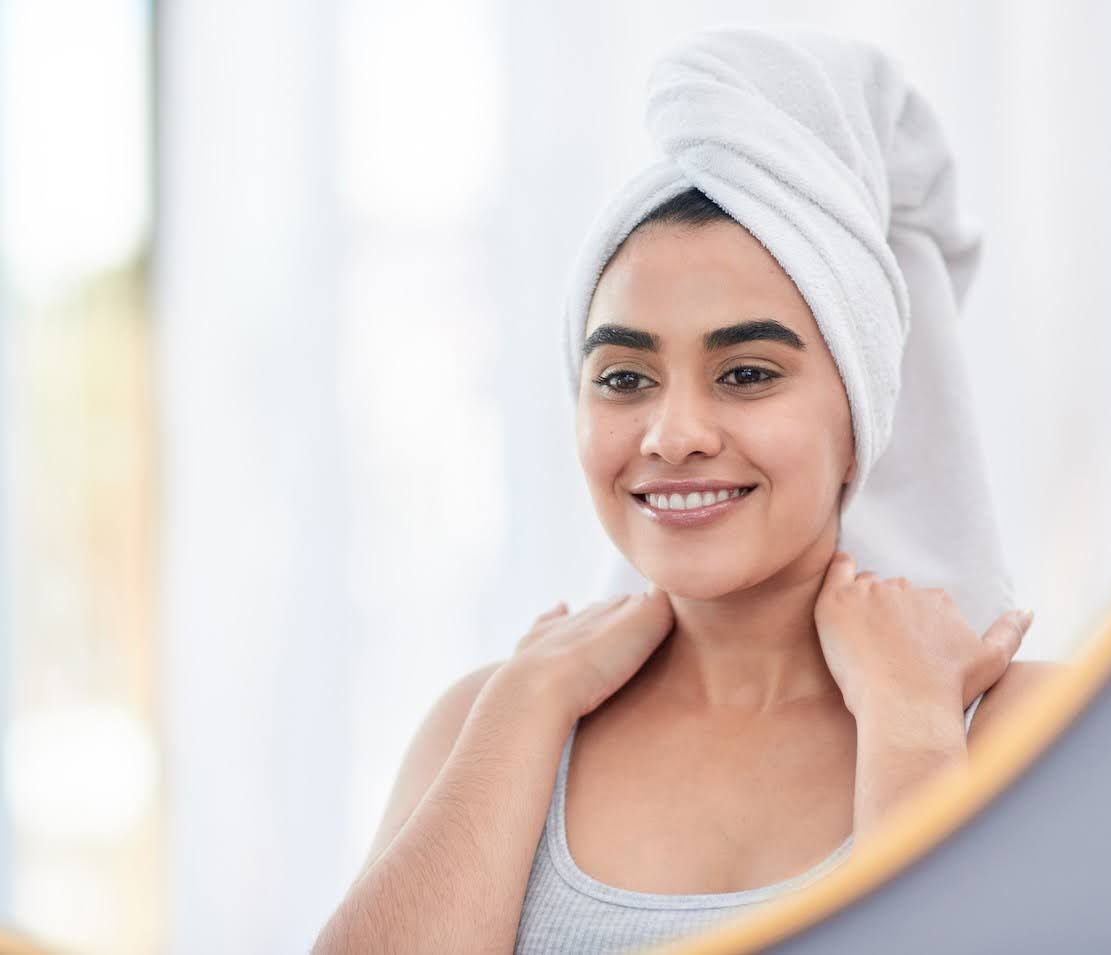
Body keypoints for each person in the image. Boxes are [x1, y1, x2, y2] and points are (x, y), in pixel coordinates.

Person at [313, 28, 1064, 955]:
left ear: (858, 417)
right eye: (624, 379)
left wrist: (911, 735)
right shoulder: (491, 721)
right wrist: (523, 708)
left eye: (747, 373)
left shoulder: (1019, 724)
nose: (673, 435)